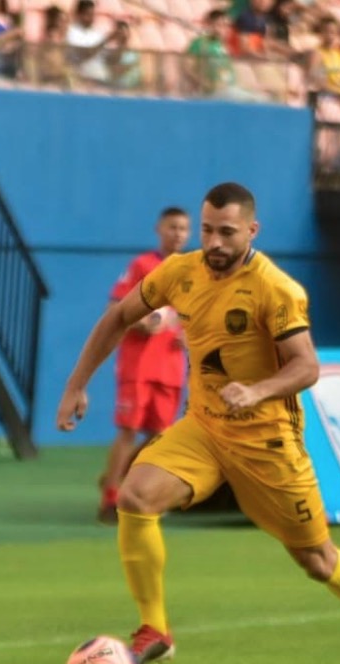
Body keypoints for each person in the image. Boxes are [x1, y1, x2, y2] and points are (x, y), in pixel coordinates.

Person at [56, 182, 340, 664]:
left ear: (252, 231)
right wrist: (76, 385)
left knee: (318, 560)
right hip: (206, 430)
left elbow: (307, 367)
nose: (214, 242)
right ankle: (156, 627)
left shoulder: (276, 289)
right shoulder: (179, 271)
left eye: (227, 233)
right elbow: (119, 317)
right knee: (135, 495)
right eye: (208, 229)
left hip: (268, 443)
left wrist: (257, 392)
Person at [97, 207, 192, 524]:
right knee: (128, 431)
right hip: (138, 365)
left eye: (183, 228)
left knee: (160, 437)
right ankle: (110, 499)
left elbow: (198, 316)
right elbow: (116, 307)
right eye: (172, 227)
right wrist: (141, 323)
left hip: (170, 367)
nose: (177, 233)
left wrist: (189, 336)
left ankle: (127, 482)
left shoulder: (193, 271)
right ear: (159, 229)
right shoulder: (142, 265)